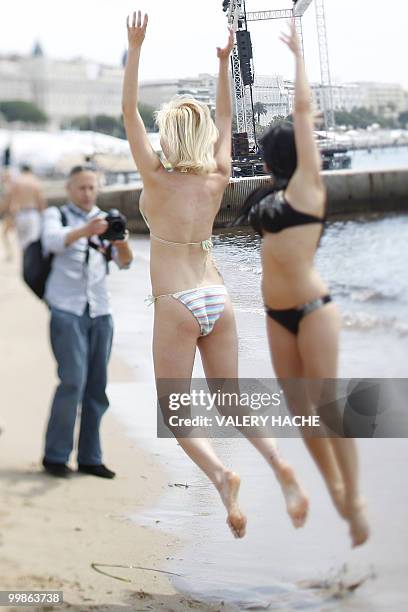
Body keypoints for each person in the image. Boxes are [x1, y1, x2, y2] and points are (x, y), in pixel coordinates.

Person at [122, 11, 309, 538]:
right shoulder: (218, 175)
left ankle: (223, 477)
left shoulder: (155, 179)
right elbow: (227, 121)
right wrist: (224, 64)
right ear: (200, 135)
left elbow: (128, 114)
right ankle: (278, 464)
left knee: (177, 413)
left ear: (169, 135)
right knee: (232, 399)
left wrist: (135, 48)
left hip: (177, 302)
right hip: (217, 296)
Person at [235, 21, 369, 548]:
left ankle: (353, 499)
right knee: (302, 412)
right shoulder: (269, 197)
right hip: (276, 314)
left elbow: (303, 116)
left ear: (280, 158)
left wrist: (298, 59)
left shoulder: (310, 188)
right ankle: (335, 489)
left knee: (327, 405)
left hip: (314, 309)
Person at [41, 165, 134, 478]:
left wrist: (120, 241)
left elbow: (125, 264)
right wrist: (85, 231)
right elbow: (52, 242)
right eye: (81, 187)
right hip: (66, 310)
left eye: (92, 187)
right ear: (69, 188)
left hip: (100, 312)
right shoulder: (58, 215)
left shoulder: (106, 219)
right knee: (72, 381)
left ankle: (90, 458)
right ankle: (55, 456)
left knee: (97, 387)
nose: (87, 193)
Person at [1, 165, 46, 253]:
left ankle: (25, 264)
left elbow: (8, 199)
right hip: (33, 214)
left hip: (20, 214)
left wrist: (4, 211)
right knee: (33, 244)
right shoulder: (35, 181)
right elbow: (41, 201)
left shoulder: (17, 181)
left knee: (23, 246)